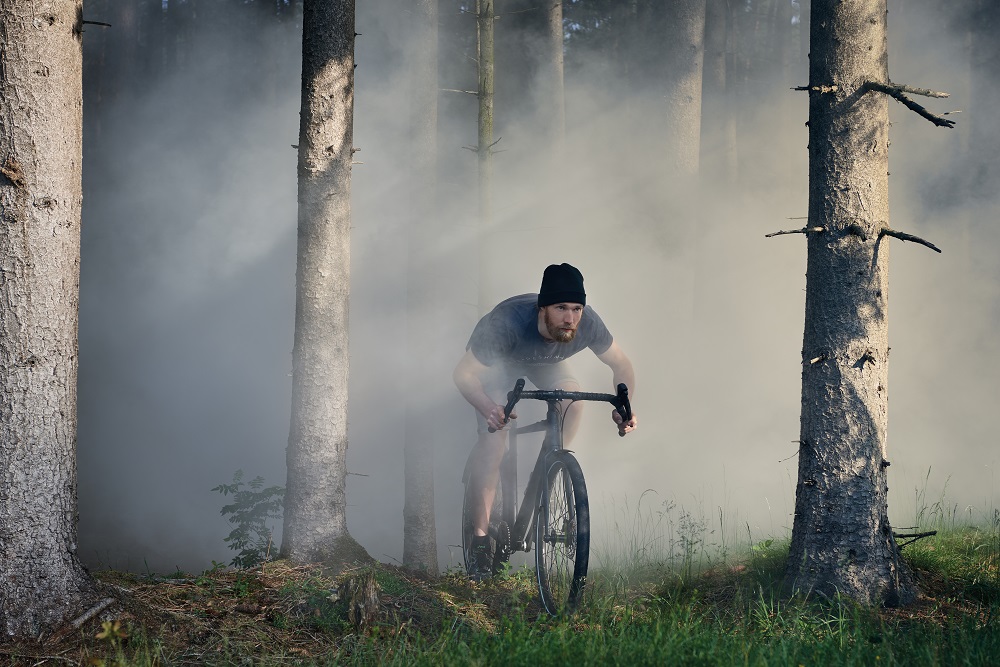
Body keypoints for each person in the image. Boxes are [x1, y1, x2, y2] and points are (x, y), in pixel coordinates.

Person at [453, 263, 638, 580]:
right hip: (499, 365)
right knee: (494, 441)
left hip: (546, 364)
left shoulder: (587, 323)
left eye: (576, 308)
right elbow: (464, 374)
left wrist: (625, 406)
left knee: (573, 402)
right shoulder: (507, 324)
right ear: (542, 308)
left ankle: (551, 467)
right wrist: (489, 408)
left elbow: (621, 364)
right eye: (561, 308)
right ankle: (482, 543)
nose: (570, 317)